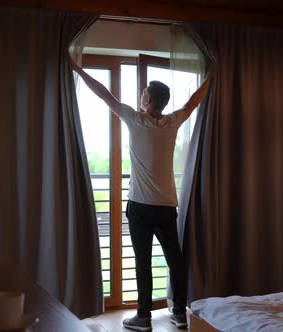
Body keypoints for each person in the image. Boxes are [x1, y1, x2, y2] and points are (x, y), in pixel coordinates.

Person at [69, 54, 213, 331]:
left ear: (147, 101)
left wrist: (78, 69)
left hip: (139, 207)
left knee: (143, 262)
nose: (140, 96)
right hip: (167, 206)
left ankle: (144, 317)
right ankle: (180, 314)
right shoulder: (172, 122)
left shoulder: (135, 120)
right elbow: (194, 101)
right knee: (175, 261)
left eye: (143, 93)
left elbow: (104, 93)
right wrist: (209, 78)